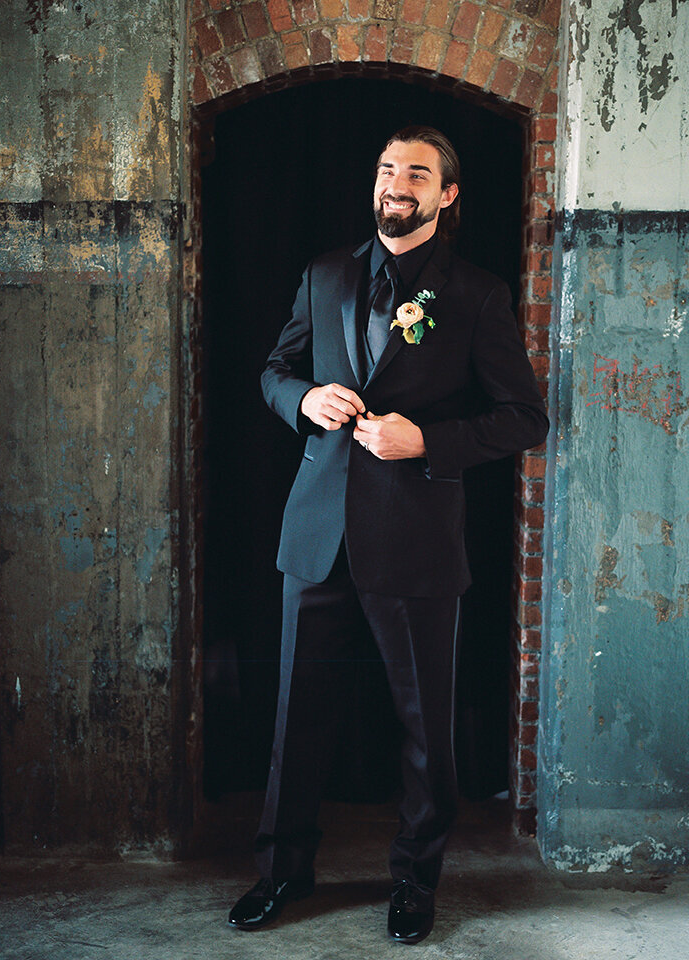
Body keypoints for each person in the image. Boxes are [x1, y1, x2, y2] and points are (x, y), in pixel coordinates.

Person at [228, 126, 549, 944]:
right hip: (317, 531)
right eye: (385, 168)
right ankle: (282, 870)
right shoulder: (325, 273)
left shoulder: (475, 294)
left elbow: (523, 418)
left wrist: (429, 443)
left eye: (416, 172)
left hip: (413, 535)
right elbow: (272, 371)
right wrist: (301, 400)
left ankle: (414, 879)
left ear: (446, 195)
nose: (395, 183)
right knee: (295, 715)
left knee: (421, 725)